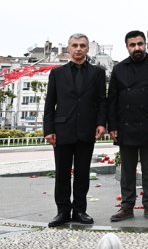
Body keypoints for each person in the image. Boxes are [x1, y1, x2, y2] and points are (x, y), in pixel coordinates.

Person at [43, 33, 107, 227]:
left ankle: (80, 210)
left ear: (87, 49)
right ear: (68, 49)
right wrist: (48, 129)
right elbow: (50, 104)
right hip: (62, 130)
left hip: (87, 130)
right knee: (62, 173)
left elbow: (101, 101)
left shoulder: (97, 73)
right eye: (74, 45)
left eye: (82, 45)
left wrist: (101, 123)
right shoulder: (57, 73)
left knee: (82, 173)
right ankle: (62, 211)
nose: (78, 49)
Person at [108, 30, 148, 222]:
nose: (137, 48)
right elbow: (112, 100)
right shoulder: (119, 69)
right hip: (125, 126)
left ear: (145, 45)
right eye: (133, 45)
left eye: (140, 44)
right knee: (127, 169)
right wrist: (113, 126)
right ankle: (127, 207)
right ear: (127, 47)